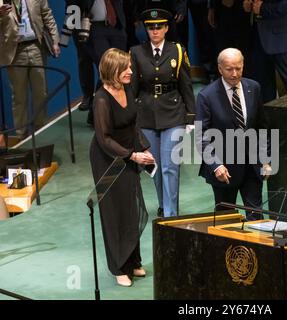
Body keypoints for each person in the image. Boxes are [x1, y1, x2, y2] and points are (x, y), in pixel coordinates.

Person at [90, 48, 154, 287]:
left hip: (129, 153)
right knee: (114, 212)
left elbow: (133, 124)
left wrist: (144, 148)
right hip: (107, 160)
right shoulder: (101, 99)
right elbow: (104, 139)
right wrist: (132, 155)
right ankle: (118, 267)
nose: (130, 71)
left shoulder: (125, 88)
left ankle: (133, 261)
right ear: (112, 71)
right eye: (125, 68)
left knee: (131, 205)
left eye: (129, 67)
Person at [130, 9, 195, 218]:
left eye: (159, 26)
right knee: (155, 168)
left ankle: (170, 214)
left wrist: (191, 116)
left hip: (173, 113)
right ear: (146, 29)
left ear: (166, 28)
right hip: (147, 115)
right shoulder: (136, 52)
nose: (155, 30)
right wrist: (130, 120)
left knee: (170, 166)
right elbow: (133, 89)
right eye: (151, 27)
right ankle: (163, 204)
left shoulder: (176, 50)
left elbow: (185, 83)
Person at [195, 48, 272, 220]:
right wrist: (215, 165)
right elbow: (202, 137)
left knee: (256, 218)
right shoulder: (206, 96)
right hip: (224, 170)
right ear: (220, 68)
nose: (235, 73)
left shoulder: (254, 87)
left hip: (252, 166)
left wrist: (266, 158)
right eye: (229, 69)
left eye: (238, 68)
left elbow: (262, 126)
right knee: (225, 220)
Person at [0, 0, 60, 139]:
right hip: (14, 51)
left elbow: (47, 15)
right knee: (19, 97)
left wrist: (55, 40)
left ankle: (41, 132)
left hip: (36, 47)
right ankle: (22, 136)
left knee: (41, 92)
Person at [243, 0, 287, 103]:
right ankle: (268, 117)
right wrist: (248, 4)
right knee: (262, 87)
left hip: (282, 37)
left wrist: (262, 9)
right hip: (257, 36)